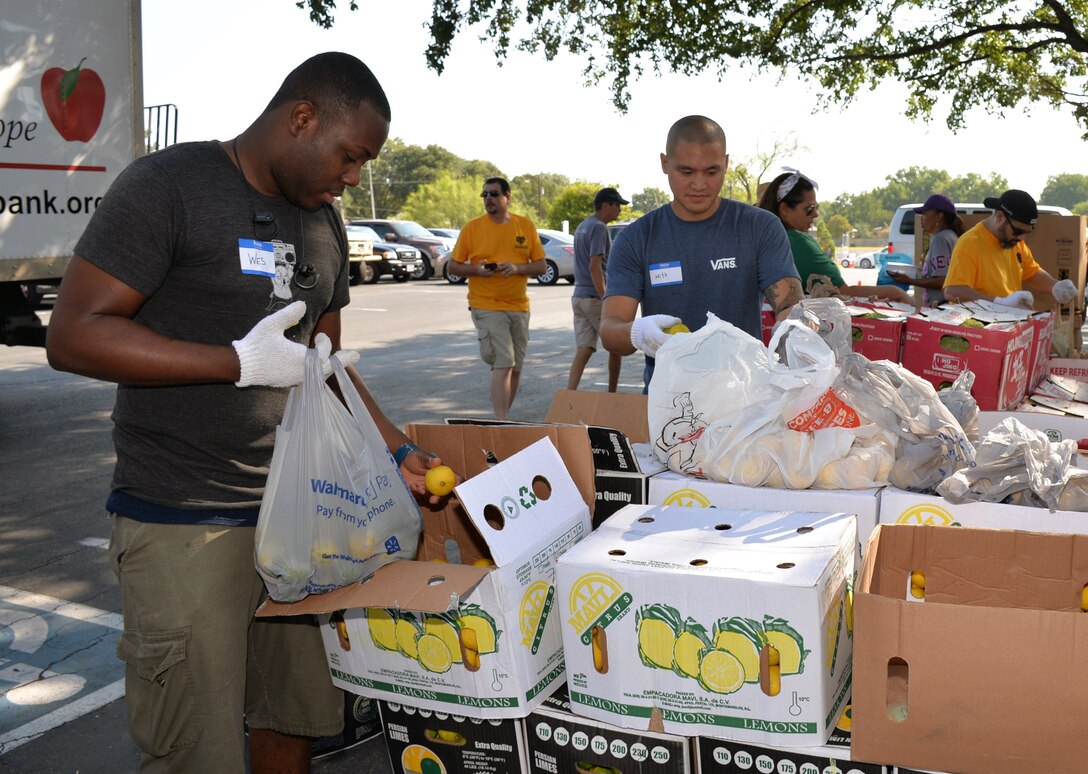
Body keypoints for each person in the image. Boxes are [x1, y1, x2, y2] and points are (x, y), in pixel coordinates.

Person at [45, 52, 446, 773]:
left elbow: (327, 370)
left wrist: (393, 451)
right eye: (351, 155)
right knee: (195, 748)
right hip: (184, 520)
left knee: (292, 720)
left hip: (304, 523)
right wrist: (233, 362)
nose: (354, 175)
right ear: (301, 118)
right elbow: (73, 335)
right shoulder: (169, 186)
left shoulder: (323, 223)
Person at [600, 115, 803, 389]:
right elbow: (610, 330)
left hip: (746, 395)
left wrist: (794, 322)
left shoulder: (759, 227)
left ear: (727, 164)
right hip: (668, 402)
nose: (699, 184)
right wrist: (638, 333)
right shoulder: (636, 238)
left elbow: (789, 303)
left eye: (711, 171)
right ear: (665, 163)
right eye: (686, 172)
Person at [447, 177, 546, 418]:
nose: (488, 199)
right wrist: (476, 270)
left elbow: (541, 265)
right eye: (485, 195)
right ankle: (501, 422)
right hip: (486, 304)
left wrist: (517, 268)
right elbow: (453, 266)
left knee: (516, 367)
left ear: (507, 197)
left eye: (493, 194)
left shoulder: (525, 226)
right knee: (504, 362)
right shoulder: (472, 228)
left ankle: (504, 418)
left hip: (519, 307)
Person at [757, 169, 910, 303]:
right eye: (809, 208)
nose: (816, 213)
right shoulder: (799, 244)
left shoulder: (758, 238)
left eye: (816, 207)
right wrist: (893, 292)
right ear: (785, 209)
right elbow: (843, 292)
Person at [943, 189, 1078, 308]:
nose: (1022, 238)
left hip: (1007, 325)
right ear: (1000, 217)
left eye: (1027, 232)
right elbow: (953, 291)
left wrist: (1054, 286)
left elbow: (1032, 272)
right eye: (1018, 231)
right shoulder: (969, 243)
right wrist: (998, 303)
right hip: (979, 330)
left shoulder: (1014, 241)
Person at [567, 187, 627, 392]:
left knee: (585, 348)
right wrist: (606, 298)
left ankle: (569, 393)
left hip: (578, 296)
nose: (619, 210)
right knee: (616, 346)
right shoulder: (599, 228)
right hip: (594, 297)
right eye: (617, 205)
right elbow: (595, 266)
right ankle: (612, 393)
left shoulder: (583, 225)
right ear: (606, 205)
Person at [887, 194, 963, 307]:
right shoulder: (949, 236)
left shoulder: (941, 239)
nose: (921, 219)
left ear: (939, 217)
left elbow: (942, 281)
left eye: (925, 214)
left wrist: (909, 280)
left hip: (941, 306)